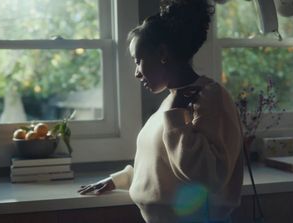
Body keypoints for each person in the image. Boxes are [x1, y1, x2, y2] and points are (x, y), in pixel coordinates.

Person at [78, 0, 243, 222]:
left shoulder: (211, 97)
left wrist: (175, 114)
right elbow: (163, 163)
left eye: (139, 60)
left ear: (162, 53)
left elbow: (207, 177)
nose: (137, 72)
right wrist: (121, 179)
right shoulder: (172, 100)